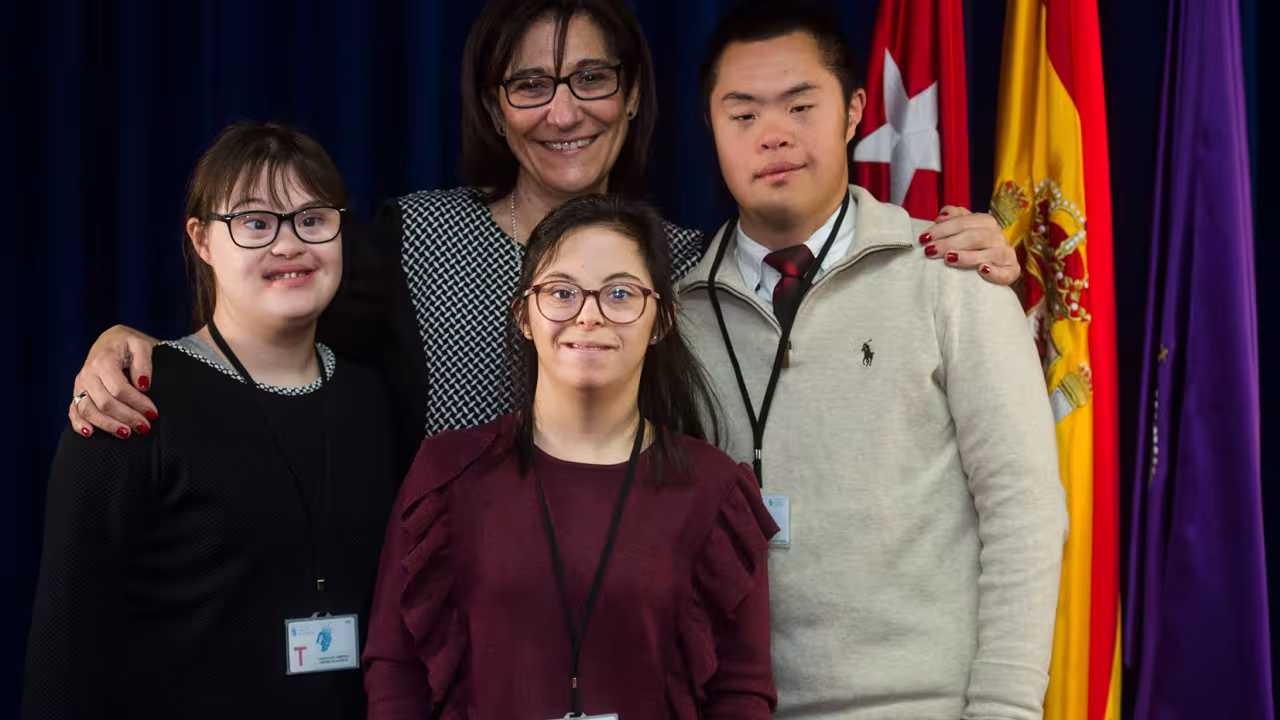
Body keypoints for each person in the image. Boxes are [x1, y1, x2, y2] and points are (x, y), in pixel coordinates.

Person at [64, 0, 1019, 479]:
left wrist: (979, 255)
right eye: (530, 85)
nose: (563, 112)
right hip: (449, 634)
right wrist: (149, 349)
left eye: (593, 80)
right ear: (493, 103)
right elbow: (274, 333)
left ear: (636, 95)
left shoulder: (695, 265)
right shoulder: (409, 240)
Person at [677, 3, 1068, 719]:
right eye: (742, 115)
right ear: (709, 125)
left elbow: (1026, 509)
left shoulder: (952, 275)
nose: (775, 135)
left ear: (855, 110)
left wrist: (1005, 709)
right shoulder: (674, 317)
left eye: (801, 105)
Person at [22, 123, 396, 719]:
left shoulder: (371, 397)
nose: (289, 244)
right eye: (254, 222)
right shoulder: (133, 400)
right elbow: (64, 649)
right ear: (200, 240)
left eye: (312, 218)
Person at [362, 194, 778, 719]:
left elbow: (742, 693)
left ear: (663, 321)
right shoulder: (445, 473)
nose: (588, 315)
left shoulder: (716, 490)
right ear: (524, 316)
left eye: (620, 293)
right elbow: (396, 672)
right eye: (561, 293)